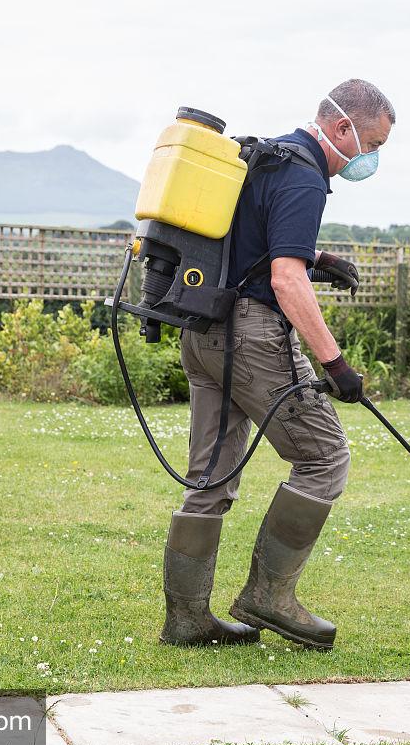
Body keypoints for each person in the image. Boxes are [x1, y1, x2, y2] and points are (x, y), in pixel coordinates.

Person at [160, 78, 395, 651]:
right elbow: (283, 280)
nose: (368, 159)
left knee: (208, 479)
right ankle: (269, 596)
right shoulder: (305, 175)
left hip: (203, 332)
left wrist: (317, 257)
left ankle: (188, 620)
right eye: (369, 144)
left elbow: (251, 241)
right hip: (252, 338)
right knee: (324, 455)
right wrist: (335, 365)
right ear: (341, 128)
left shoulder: (259, 158)